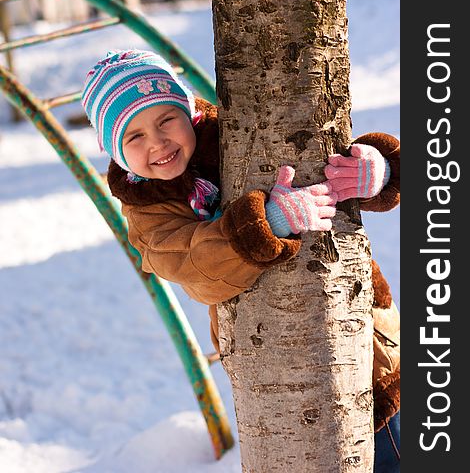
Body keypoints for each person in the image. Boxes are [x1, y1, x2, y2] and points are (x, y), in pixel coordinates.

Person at [82, 49, 400, 470]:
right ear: (117, 152)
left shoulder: (243, 132)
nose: (157, 142)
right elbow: (191, 265)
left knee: (393, 434)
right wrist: (264, 224)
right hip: (270, 355)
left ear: (189, 111)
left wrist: (374, 172)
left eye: (166, 120)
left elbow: (320, 158)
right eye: (134, 137)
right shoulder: (147, 210)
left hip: (363, 320)